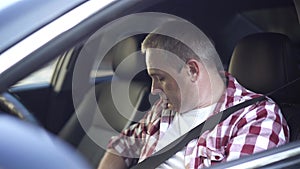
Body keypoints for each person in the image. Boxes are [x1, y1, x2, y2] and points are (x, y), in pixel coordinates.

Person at [98, 22, 289, 169]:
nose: (154, 89)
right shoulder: (164, 108)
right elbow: (121, 146)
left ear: (192, 70)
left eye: (160, 78)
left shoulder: (256, 119)